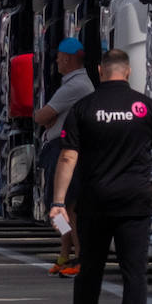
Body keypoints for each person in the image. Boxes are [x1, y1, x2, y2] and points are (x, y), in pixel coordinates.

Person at [51, 49, 152, 304]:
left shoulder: (84, 107)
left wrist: (59, 201)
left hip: (95, 203)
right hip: (135, 202)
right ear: (128, 72)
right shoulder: (148, 107)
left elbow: (68, 156)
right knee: (135, 272)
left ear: (101, 71)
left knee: (90, 270)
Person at [34, 38, 95, 277]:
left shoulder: (76, 85)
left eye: (59, 57)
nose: (56, 61)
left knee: (62, 207)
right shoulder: (75, 84)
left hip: (62, 149)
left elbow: (42, 116)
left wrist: (46, 116)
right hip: (58, 145)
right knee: (66, 207)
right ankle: (65, 254)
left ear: (68, 58)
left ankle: (79, 256)